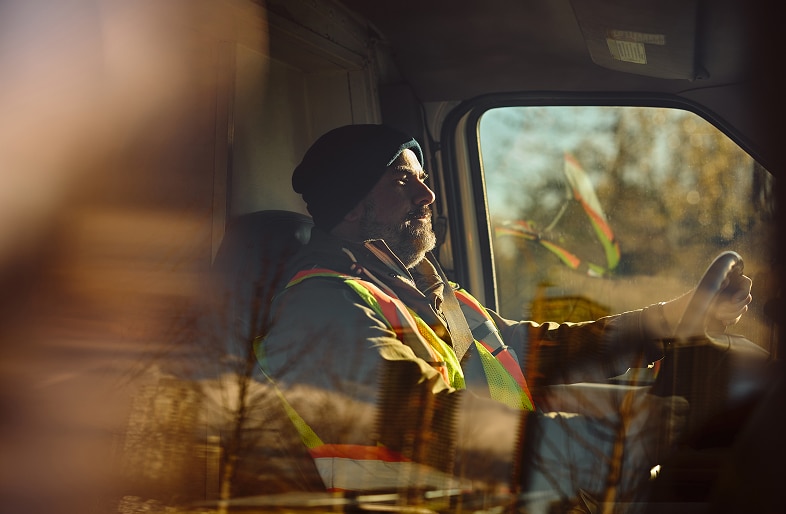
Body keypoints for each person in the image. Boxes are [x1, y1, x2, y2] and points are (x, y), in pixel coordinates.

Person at [257, 124, 752, 497]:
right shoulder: (322, 304)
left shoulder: (426, 290)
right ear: (350, 205)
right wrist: (616, 445)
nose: (427, 195)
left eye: (423, 179)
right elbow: (424, 422)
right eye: (402, 182)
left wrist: (667, 320)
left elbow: (529, 351)